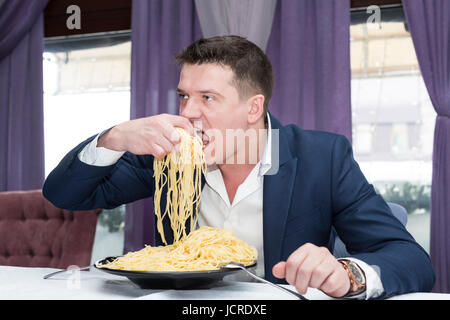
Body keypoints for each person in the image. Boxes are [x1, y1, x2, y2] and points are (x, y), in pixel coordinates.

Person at [43, 35, 435, 299]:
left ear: (253, 108)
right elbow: (66, 195)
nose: (187, 113)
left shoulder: (321, 158)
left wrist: (348, 274)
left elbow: (409, 257)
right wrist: (114, 137)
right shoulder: (168, 156)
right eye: (183, 96)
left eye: (208, 98)